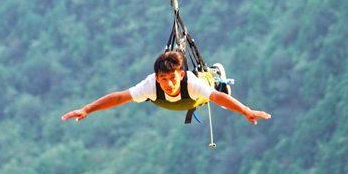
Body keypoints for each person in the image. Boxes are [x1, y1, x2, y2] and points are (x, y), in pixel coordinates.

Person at [61, 51, 271, 124]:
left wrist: (245, 110)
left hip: (197, 95)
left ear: (180, 75)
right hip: (171, 103)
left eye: (173, 78)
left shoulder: (190, 82)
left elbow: (217, 98)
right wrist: (87, 108)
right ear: (156, 77)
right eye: (164, 79)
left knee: (208, 86)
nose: (169, 83)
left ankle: (216, 75)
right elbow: (119, 98)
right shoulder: (151, 85)